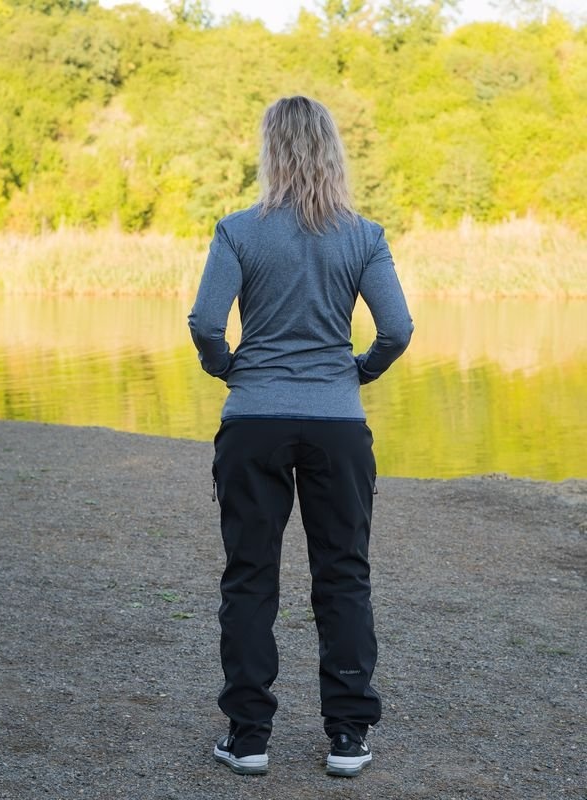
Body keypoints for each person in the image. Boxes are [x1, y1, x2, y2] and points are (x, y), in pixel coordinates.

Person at [188, 95, 413, 778]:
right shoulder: (364, 236)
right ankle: (348, 736)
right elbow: (397, 330)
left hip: (252, 421)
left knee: (250, 575)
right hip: (337, 425)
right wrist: (357, 373)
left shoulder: (238, 230)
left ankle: (248, 737)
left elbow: (206, 323)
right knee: (343, 575)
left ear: (270, 151)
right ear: (332, 151)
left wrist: (228, 369)